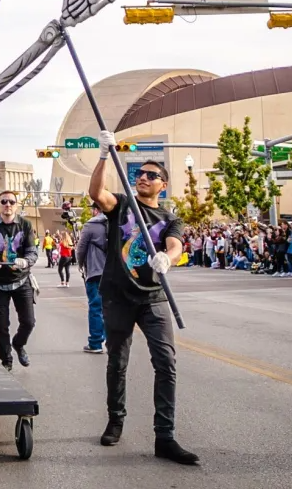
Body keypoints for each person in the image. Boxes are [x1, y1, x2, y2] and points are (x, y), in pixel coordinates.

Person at [90, 131, 198, 465]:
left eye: (152, 176)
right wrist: (105, 155)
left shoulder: (169, 218)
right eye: (140, 174)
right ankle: (115, 419)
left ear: (162, 184)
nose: (143, 178)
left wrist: (169, 257)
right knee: (117, 362)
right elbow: (96, 193)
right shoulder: (122, 205)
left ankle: (164, 436)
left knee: (166, 362)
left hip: (153, 298)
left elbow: (176, 244)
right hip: (118, 297)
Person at [0, 191, 37, 371]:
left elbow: (32, 251)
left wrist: (26, 261)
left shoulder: (25, 225)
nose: (8, 205)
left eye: (11, 202)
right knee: (2, 324)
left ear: (17, 205)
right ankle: (6, 361)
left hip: (21, 280)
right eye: (4, 202)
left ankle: (18, 343)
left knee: (29, 321)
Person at [76, 204, 108, 354]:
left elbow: (81, 249)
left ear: (96, 210)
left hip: (96, 271)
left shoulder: (91, 225)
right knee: (112, 308)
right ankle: (111, 341)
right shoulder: (117, 222)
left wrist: (81, 265)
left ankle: (95, 343)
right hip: (115, 273)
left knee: (96, 307)